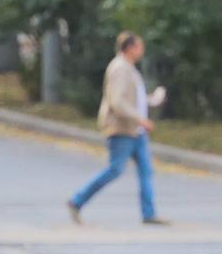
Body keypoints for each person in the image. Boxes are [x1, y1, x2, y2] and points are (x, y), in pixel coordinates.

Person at [67, 31, 168, 226]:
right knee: (115, 169)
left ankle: (149, 213)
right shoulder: (120, 69)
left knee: (146, 170)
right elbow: (117, 101)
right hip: (122, 128)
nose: (142, 50)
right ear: (130, 48)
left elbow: (131, 98)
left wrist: (151, 100)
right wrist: (140, 119)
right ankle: (77, 200)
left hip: (135, 130)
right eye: (139, 46)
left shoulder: (129, 69)